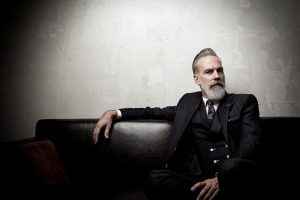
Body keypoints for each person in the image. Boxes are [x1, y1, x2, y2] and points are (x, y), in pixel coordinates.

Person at [93, 48, 263, 200]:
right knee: (154, 179)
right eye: (209, 72)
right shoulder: (187, 103)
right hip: (202, 178)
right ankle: (209, 195)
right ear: (197, 79)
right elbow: (153, 111)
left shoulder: (244, 102)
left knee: (231, 166)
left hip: (235, 175)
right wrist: (114, 112)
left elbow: (250, 143)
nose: (217, 75)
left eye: (220, 70)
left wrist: (221, 179)